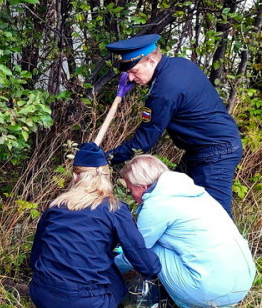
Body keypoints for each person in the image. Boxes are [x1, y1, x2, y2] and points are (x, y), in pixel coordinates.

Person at [28, 143, 161, 308]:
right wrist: (155, 266)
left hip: (41, 298)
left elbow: (36, 258)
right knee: (115, 278)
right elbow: (142, 261)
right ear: (107, 176)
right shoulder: (114, 209)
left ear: (76, 176)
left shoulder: (55, 207)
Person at [103, 34, 243, 216]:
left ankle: (228, 245)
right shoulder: (178, 64)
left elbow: (143, 142)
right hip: (203, 148)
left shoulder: (163, 91)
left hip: (216, 153)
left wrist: (105, 158)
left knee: (217, 216)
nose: (129, 78)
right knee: (174, 199)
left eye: (134, 71)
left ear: (151, 60)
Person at [115, 155, 256, 308]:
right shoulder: (195, 193)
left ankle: (185, 304)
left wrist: (107, 268)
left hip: (207, 295)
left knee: (147, 249)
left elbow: (136, 253)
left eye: (131, 190)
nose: (131, 195)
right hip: (240, 287)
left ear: (143, 187)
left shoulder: (157, 205)